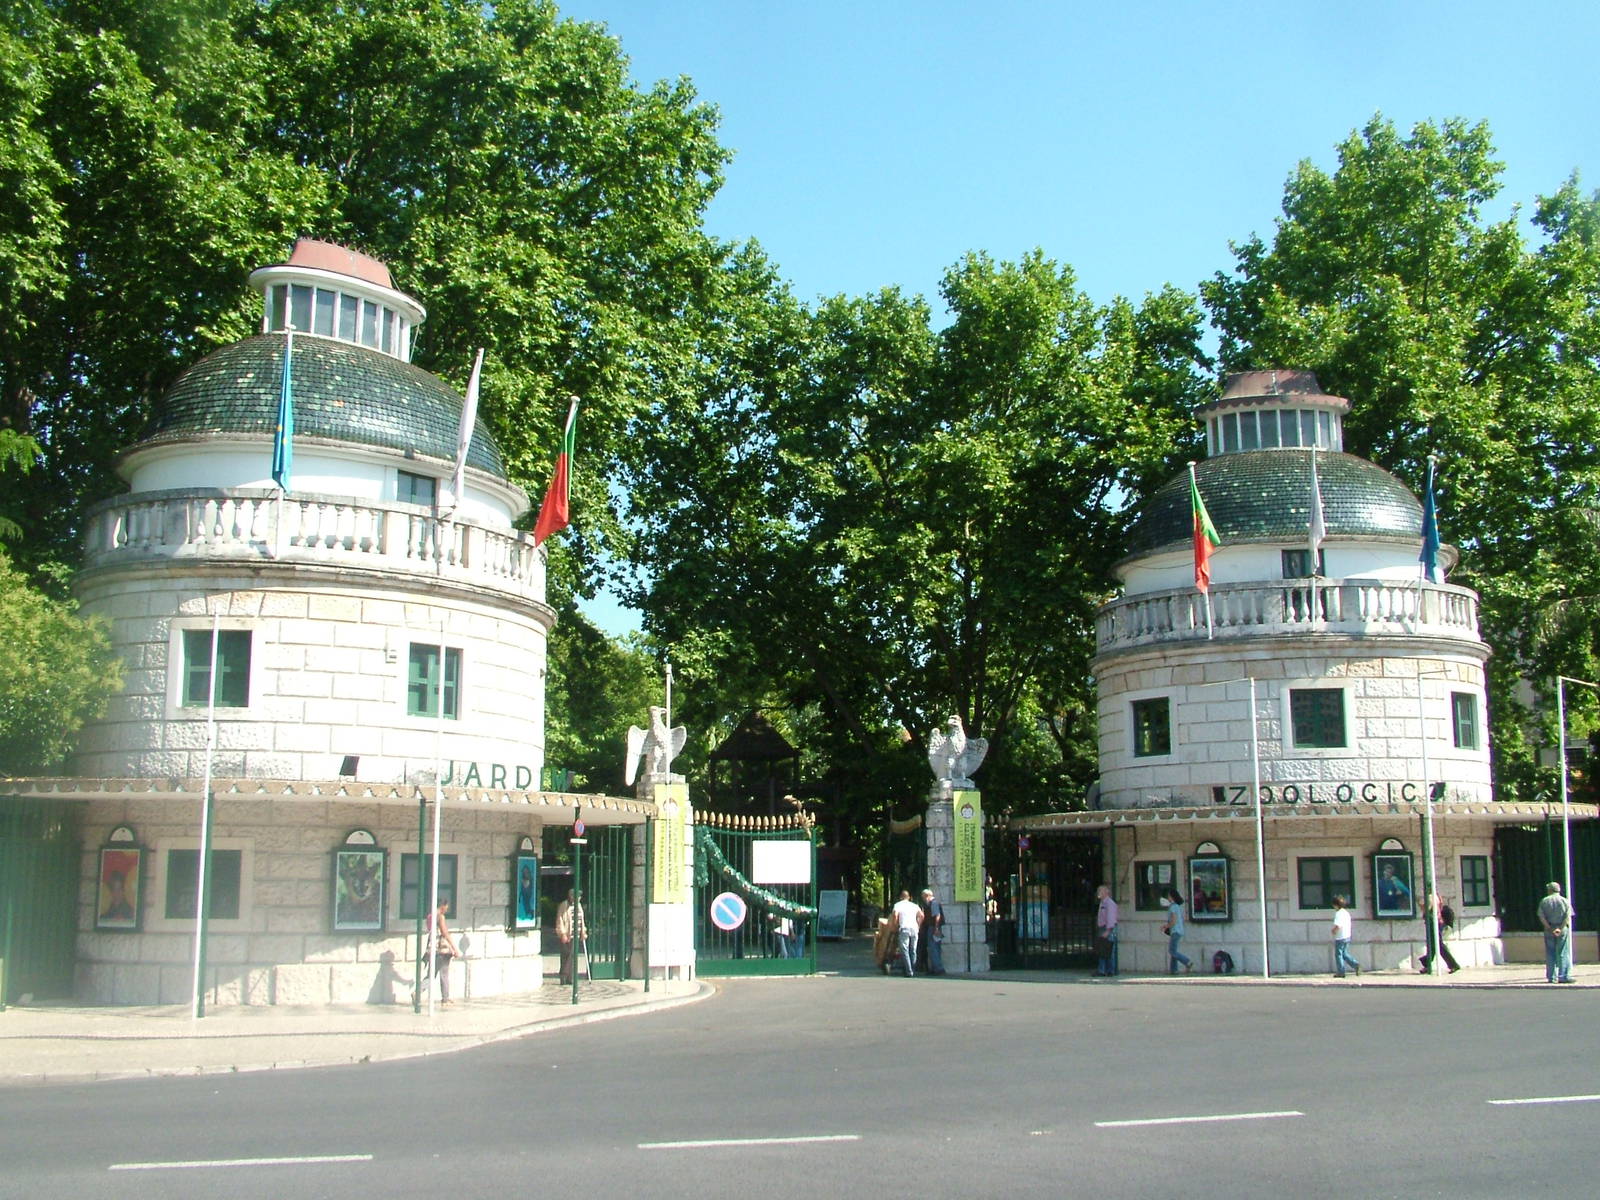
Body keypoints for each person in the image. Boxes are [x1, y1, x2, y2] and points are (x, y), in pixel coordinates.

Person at [1538, 880, 1573, 984]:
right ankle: (1563, 976)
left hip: (1549, 929)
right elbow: (1567, 917)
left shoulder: (1544, 901)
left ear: (1550, 890)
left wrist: (1549, 928)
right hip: (1561, 928)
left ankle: (1551, 977)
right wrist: (1560, 928)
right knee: (1563, 952)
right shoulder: (1565, 901)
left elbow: (1541, 916)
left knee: (1550, 953)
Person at [427, 899, 461, 1004]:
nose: (447, 909)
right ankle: (445, 999)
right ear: (442, 905)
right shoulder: (440, 917)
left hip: (432, 947)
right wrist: (454, 948)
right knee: (442, 974)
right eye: (446, 906)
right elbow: (445, 933)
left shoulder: (430, 916)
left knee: (434, 973)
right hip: (441, 949)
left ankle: (445, 997)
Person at [1418, 891, 1460, 974]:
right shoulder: (1436, 896)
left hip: (1435, 922)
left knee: (1438, 944)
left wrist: (1420, 904)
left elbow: (1427, 908)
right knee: (1432, 944)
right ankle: (1427, 964)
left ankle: (1453, 965)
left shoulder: (1431, 897)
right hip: (1436, 921)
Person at [890, 889, 924, 977]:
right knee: (913, 950)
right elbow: (922, 915)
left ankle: (909, 971)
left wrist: (895, 925)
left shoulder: (898, 905)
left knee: (904, 949)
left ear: (901, 897)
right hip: (914, 929)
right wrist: (919, 925)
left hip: (904, 928)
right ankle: (912, 968)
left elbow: (895, 915)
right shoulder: (914, 905)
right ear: (909, 897)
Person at [1162, 887, 1192, 974]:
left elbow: (1173, 921)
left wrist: (1166, 926)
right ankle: (1174, 970)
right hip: (1178, 931)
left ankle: (1187, 962)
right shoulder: (1177, 906)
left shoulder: (1173, 907)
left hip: (1175, 931)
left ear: (1172, 897)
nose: (1168, 897)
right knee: (1173, 950)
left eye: (1169, 895)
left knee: (1172, 951)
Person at [556, 888, 583, 984]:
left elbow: (581, 919)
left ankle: (569, 977)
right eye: (575, 896)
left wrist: (583, 931)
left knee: (572, 956)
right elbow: (560, 920)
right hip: (567, 934)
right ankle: (564, 975)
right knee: (567, 955)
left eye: (579, 897)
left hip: (576, 934)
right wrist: (562, 933)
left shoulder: (579, 906)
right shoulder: (564, 905)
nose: (577, 898)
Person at [1330, 895, 1361, 978]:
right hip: (1347, 936)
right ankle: (1356, 965)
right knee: (1344, 954)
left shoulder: (1338, 914)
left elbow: (1338, 925)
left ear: (1336, 905)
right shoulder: (1346, 913)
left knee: (1338, 955)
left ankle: (1341, 971)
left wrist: (1333, 931)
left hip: (1340, 937)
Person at [1094, 884, 1119, 977]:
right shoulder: (1102, 902)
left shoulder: (1110, 903)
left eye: (1100, 891)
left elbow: (1111, 918)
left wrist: (1108, 931)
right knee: (1102, 950)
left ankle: (1110, 970)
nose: (1098, 893)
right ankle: (1102, 970)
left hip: (1108, 928)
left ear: (1106, 892)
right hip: (1102, 927)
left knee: (1109, 950)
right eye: (1098, 891)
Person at [921, 888, 946, 975]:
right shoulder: (933, 903)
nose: (923, 899)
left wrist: (936, 928)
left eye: (923, 897)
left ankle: (938, 968)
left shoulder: (933, 903)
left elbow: (937, 916)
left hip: (933, 928)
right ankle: (935, 967)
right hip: (934, 927)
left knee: (933, 948)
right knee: (935, 947)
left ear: (927, 896)